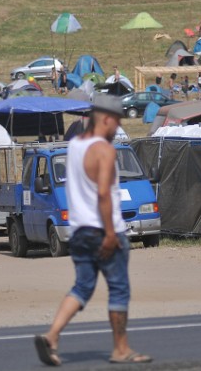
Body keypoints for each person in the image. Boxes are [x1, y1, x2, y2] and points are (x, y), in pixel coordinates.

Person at [34, 94, 152, 367]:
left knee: (83, 287)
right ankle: (120, 349)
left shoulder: (74, 145)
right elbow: (103, 195)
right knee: (119, 289)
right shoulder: (105, 150)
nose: (117, 128)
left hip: (79, 231)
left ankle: (51, 336)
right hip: (103, 229)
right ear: (107, 119)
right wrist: (111, 234)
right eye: (117, 122)